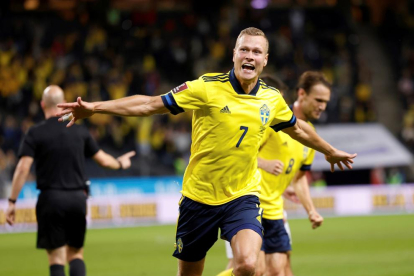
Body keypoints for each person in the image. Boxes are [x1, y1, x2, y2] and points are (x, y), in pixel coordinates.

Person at [56, 27, 356, 276]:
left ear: (265, 60)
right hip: (198, 197)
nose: (249, 55)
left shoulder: (272, 99)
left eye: (256, 51)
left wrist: (329, 151)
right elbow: (149, 104)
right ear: (234, 54)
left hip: (242, 195)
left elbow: (298, 129)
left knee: (250, 265)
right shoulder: (206, 87)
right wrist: (95, 108)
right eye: (244, 50)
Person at [5, 85, 136, 276]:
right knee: (76, 254)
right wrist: (121, 163)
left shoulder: (35, 133)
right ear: (62, 103)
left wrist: (12, 201)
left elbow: (23, 168)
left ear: (42, 105)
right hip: (77, 199)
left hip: (51, 200)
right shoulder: (80, 132)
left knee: (56, 258)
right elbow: (104, 161)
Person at [218, 72, 331, 276]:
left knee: (279, 271)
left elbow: (299, 178)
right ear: (302, 94)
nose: (322, 106)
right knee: (253, 269)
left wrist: (311, 210)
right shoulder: (272, 119)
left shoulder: (310, 134)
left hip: (275, 210)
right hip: (249, 205)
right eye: (318, 100)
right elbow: (239, 153)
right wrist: (264, 163)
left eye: (326, 102)